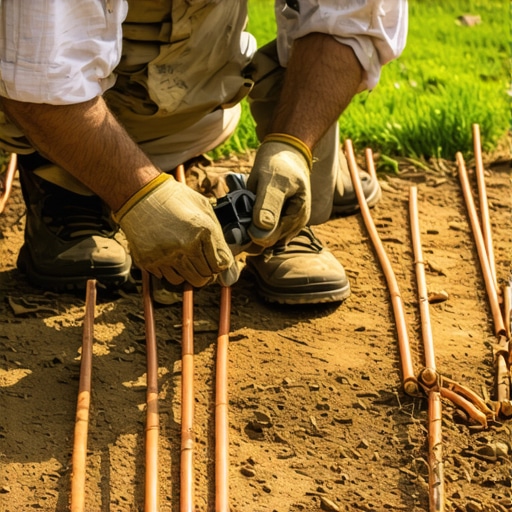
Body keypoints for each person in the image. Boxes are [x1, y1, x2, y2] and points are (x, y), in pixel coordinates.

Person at [0, 1, 408, 305]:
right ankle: (65, 181)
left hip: (192, 97)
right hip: (43, 105)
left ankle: (294, 191)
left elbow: (350, 16)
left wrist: (294, 144)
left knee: (295, 134)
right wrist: (139, 196)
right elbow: (38, 75)